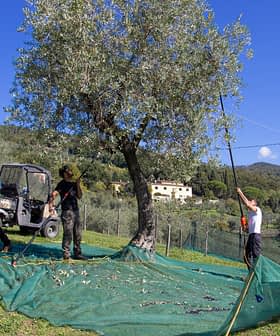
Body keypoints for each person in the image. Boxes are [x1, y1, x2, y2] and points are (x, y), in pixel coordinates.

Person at [48, 165, 86, 261]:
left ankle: (78, 253)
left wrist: (77, 184)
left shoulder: (73, 184)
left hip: (75, 210)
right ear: (64, 173)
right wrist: (51, 206)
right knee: (68, 233)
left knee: (78, 233)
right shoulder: (62, 184)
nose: (70, 172)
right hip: (67, 212)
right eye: (68, 170)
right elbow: (53, 194)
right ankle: (66, 255)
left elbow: (80, 196)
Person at [237, 187, 262, 269]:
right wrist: (244, 226)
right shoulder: (251, 214)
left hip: (256, 236)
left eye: (252, 201)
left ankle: (257, 274)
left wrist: (240, 192)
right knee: (246, 256)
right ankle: (251, 273)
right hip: (251, 236)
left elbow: (247, 203)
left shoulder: (257, 210)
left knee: (256, 256)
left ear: (255, 204)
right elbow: (247, 230)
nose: (250, 201)